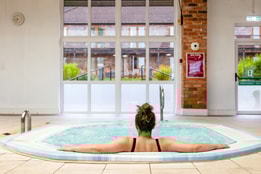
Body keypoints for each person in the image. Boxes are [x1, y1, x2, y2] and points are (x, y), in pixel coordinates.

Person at [58, 103, 229, 153]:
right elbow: (195, 148)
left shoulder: (126, 142)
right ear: (154, 125)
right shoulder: (164, 143)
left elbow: (97, 148)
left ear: (136, 124)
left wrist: (73, 147)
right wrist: (217, 145)